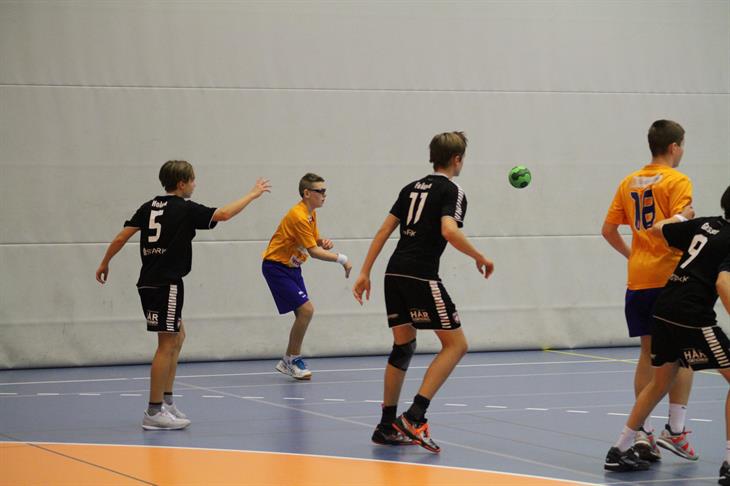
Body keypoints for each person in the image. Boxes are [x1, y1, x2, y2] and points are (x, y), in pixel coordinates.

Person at [96, 160, 270, 430]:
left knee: (178, 336)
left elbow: (121, 238)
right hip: (166, 283)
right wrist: (253, 194)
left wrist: (105, 262)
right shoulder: (184, 209)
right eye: (193, 180)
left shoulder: (148, 206)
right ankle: (153, 411)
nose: (195, 185)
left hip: (149, 281)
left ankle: (166, 401)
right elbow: (224, 214)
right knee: (166, 344)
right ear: (181, 183)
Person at [352, 131, 494, 453]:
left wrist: (364, 271)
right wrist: (480, 257)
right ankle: (414, 417)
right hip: (420, 274)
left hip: (393, 273)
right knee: (456, 345)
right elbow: (449, 230)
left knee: (403, 346)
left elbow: (384, 230)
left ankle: (386, 426)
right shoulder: (452, 190)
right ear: (457, 159)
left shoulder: (410, 188)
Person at [603, 185, 730, 480]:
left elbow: (659, 228)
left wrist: (681, 216)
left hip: (664, 308)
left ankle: (619, 450)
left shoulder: (706, 224)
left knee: (660, 382)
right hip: (692, 315)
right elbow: (723, 284)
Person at [602, 119, 696, 461]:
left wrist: (634, 255)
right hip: (670, 278)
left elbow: (608, 230)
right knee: (685, 352)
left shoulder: (629, 182)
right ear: (673, 147)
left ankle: (643, 433)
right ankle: (676, 429)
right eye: (682, 146)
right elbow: (672, 227)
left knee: (647, 354)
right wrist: (685, 219)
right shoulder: (677, 180)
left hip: (638, 279)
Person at [262, 173, 353, 380]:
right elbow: (313, 252)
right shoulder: (299, 216)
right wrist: (342, 259)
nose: (324, 195)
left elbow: (312, 241)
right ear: (307, 193)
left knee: (303, 313)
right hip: (276, 268)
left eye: (325, 191)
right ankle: (292, 360)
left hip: (293, 268)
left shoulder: (310, 214)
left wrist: (321, 241)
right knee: (307, 310)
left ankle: (288, 360)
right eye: (320, 191)